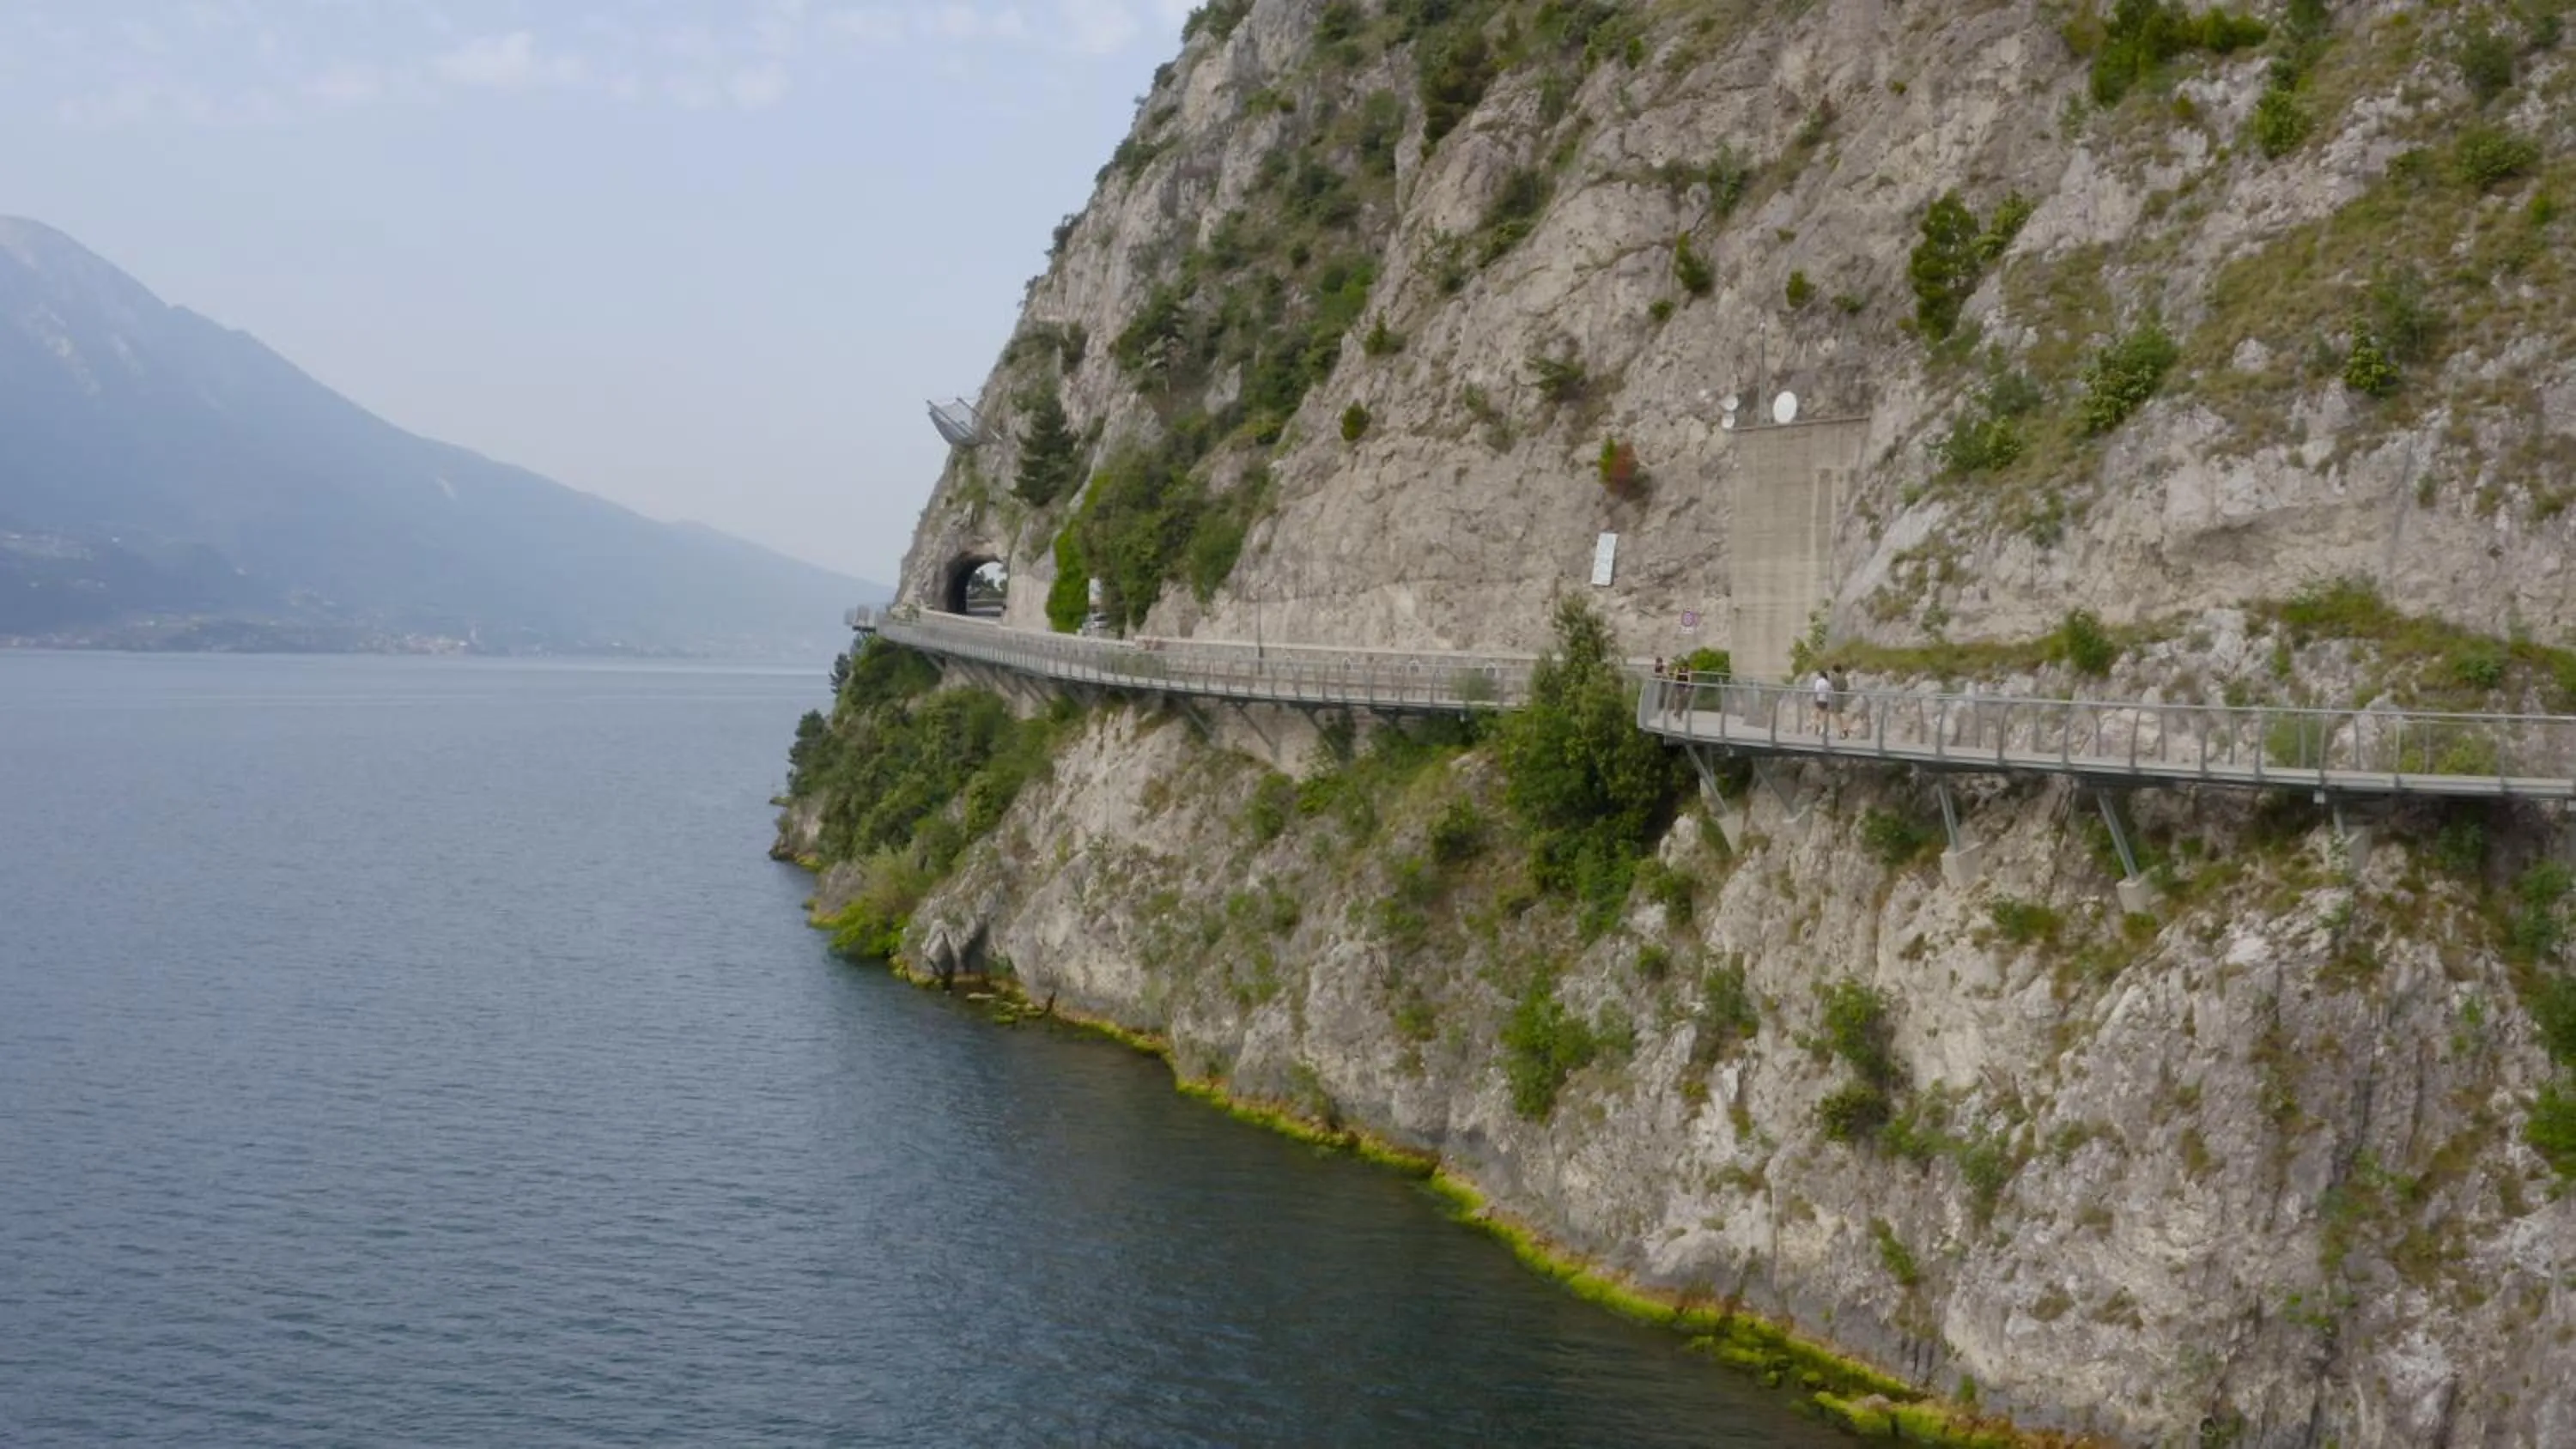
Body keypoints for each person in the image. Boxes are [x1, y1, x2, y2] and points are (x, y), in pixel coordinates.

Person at [1812, 669, 1833, 735]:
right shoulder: (1827, 682)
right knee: (1823, 716)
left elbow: (1816, 691)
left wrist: (1814, 700)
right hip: (1825, 700)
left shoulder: (1819, 681)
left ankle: (1822, 728)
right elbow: (1830, 691)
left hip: (1819, 699)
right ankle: (1822, 728)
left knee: (1814, 716)